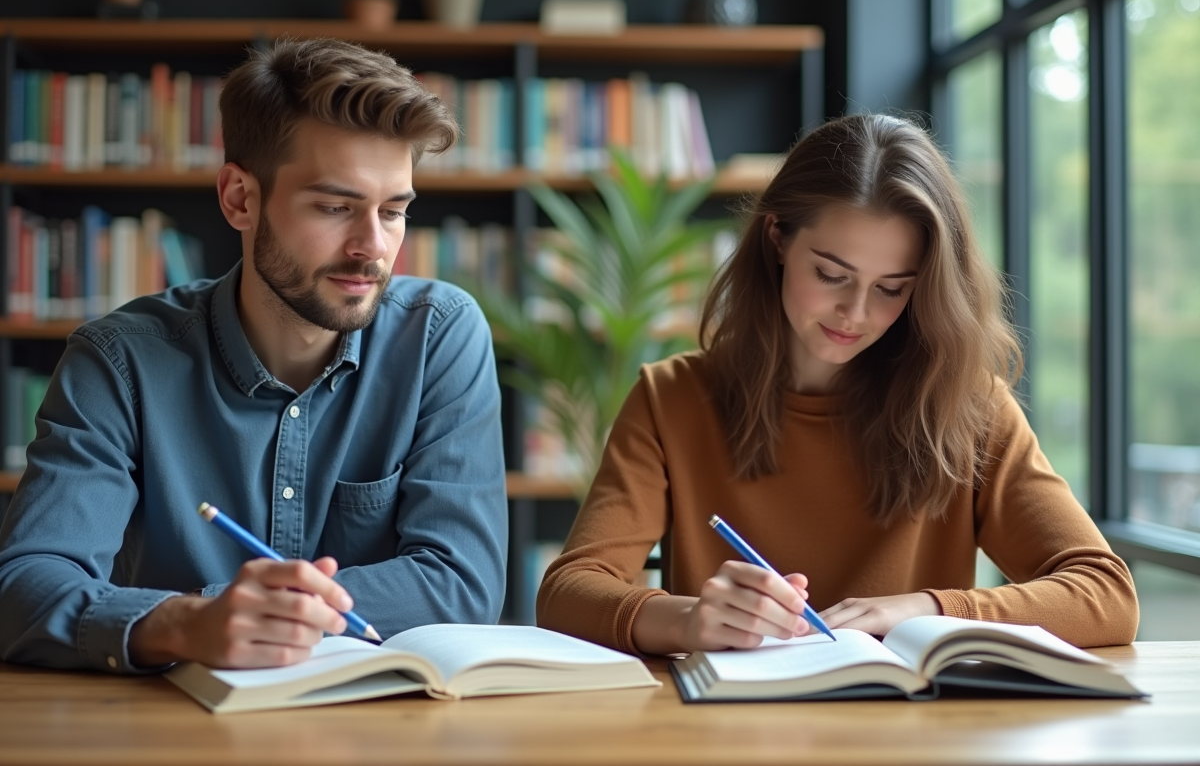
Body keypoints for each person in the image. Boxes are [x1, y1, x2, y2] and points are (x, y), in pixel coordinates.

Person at [537, 113, 1138, 655]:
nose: (854, 312)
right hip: (727, 732)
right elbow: (567, 592)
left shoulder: (968, 406)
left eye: (892, 288)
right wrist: (686, 620)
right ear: (777, 239)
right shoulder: (671, 399)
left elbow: (1106, 595)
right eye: (831, 274)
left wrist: (929, 609)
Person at [0, 38, 508, 672]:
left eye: (393, 211)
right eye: (334, 207)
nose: (372, 247)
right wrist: (188, 624)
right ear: (240, 198)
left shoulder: (439, 335)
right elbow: (23, 585)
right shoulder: (119, 361)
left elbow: (462, 586)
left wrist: (229, 611)